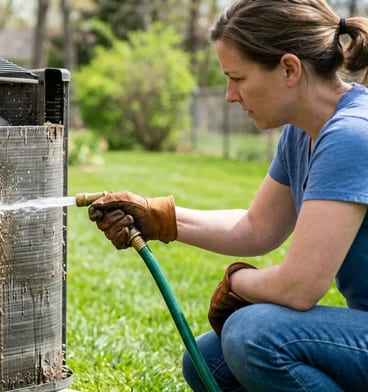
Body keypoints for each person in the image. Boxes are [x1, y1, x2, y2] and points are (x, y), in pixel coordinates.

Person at [87, 0, 368, 390]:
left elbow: (299, 287)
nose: (229, 96)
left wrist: (237, 283)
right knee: (208, 363)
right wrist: (159, 217)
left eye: (237, 78)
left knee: (253, 334)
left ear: (289, 69)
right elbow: (256, 228)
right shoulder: (302, 132)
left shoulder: (352, 134)